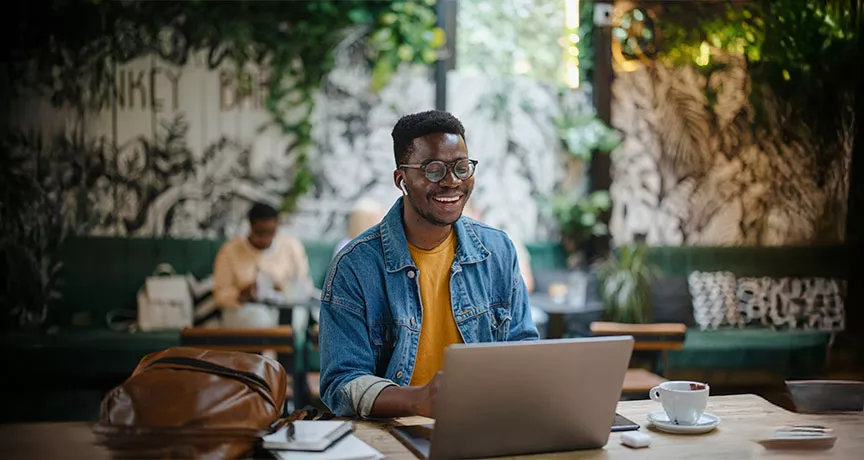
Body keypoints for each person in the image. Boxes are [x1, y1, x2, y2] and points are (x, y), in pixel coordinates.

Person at [319, 110, 539, 419]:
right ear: (402, 179)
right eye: (433, 170)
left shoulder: (498, 250)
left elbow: (523, 350)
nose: (452, 182)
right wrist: (417, 400)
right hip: (394, 431)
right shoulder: (355, 266)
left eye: (461, 168)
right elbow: (341, 382)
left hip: (484, 422)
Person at [212, 202, 313, 328]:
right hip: (245, 310)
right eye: (260, 232)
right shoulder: (230, 251)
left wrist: (282, 288)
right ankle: (273, 344)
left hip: (283, 307)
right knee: (258, 319)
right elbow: (220, 295)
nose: (266, 238)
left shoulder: (292, 246)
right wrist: (243, 294)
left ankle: (278, 342)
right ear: (250, 226)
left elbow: (304, 285)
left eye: (271, 232)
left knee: (295, 316)